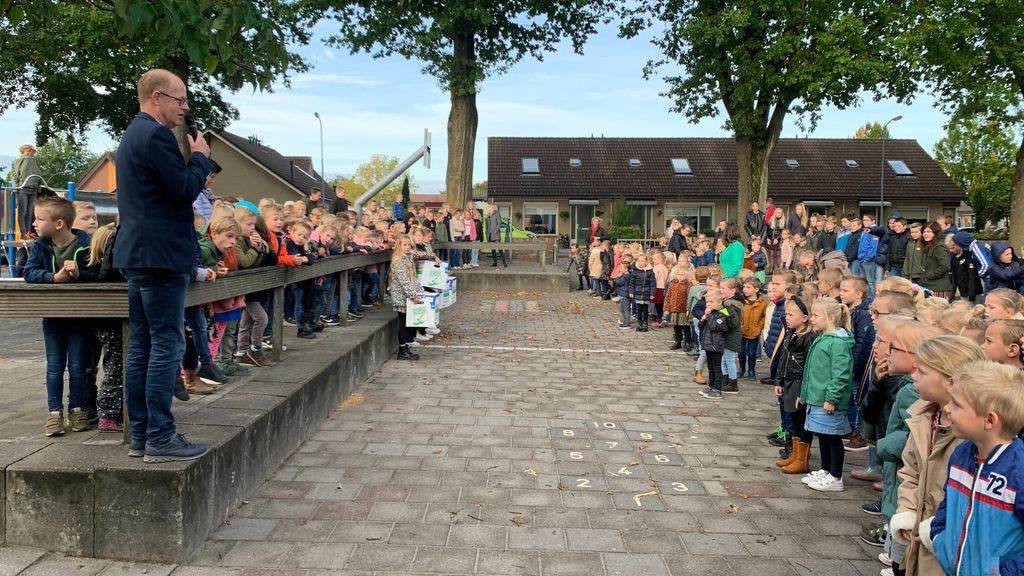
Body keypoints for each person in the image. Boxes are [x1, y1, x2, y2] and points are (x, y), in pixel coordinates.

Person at [113, 69, 213, 463]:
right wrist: (201, 159)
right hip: (160, 256)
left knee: (143, 344)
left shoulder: (132, 133)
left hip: (138, 255)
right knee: (167, 343)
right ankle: (160, 436)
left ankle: (142, 434)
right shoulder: (156, 135)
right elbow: (185, 189)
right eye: (180, 99)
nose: (185, 108)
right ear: (157, 97)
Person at [888, 335, 985, 576]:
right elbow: (910, 469)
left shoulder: (972, 432)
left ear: (950, 381)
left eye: (922, 371)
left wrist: (936, 528)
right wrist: (908, 513)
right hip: (917, 534)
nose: (913, 377)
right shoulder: (924, 417)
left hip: (950, 542)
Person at [921, 361, 1024, 575]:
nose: (947, 409)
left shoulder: (1018, 471)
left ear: (989, 420)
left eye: (957, 405)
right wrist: (939, 537)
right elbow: (947, 503)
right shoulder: (961, 454)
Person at [23, 196, 99, 436]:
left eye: (39, 219)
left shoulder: (86, 245)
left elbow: (97, 274)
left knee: (78, 366)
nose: (34, 223)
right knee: (54, 366)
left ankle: (77, 408)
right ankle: (54, 412)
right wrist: (53, 278)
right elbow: (30, 272)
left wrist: (79, 274)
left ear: (58, 223)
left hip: (79, 317)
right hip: (53, 315)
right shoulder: (40, 246)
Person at [800, 297, 855, 492]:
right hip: (817, 398)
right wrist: (804, 394)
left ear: (830, 318)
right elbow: (813, 371)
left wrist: (831, 398)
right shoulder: (823, 338)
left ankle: (836, 476)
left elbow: (840, 375)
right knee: (823, 436)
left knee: (832, 438)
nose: (811, 319)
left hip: (828, 401)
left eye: (815, 315)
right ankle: (825, 470)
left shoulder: (838, 343)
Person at [774, 296, 817, 474]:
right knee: (793, 418)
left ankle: (802, 460)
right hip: (789, 381)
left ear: (805, 318)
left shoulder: (809, 337)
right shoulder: (791, 333)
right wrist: (779, 380)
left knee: (801, 421)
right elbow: (783, 358)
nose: (787, 318)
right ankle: (795, 453)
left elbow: (809, 365)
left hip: (799, 382)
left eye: (791, 315)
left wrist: (803, 390)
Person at [389, 234, 423, 360]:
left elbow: (413, 278)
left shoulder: (408, 258)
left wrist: (420, 290)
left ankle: (405, 347)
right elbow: (404, 281)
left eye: (409, 244)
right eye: (405, 244)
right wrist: (413, 296)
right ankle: (402, 349)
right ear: (399, 246)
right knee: (402, 323)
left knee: (407, 322)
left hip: (408, 295)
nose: (408, 247)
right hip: (401, 296)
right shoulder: (399, 261)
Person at [698, 289, 730, 400]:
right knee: (710, 367)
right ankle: (711, 386)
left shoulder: (723, 314)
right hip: (708, 345)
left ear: (719, 303)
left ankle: (717, 389)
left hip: (717, 346)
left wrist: (708, 316)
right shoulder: (711, 314)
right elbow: (701, 328)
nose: (708, 304)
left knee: (716, 368)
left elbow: (714, 326)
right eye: (707, 302)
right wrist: (702, 320)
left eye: (711, 302)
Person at [739, 278, 768, 380]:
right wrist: (739, 325)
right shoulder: (741, 301)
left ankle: (752, 370)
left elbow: (764, 317)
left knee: (752, 353)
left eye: (748, 287)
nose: (745, 289)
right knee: (741, 352)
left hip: (754, 331)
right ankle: (741, 369)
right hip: (742, 331)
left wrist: (759, 326)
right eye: (744, 287)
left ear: (756, 289)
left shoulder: (762, 303)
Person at [949, 230, 989, 302]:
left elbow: (985, 265)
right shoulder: (980, 244)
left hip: (990, 277)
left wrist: (980, 274)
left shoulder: (975, 247)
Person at [12, 143, 42, 238]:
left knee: (30, 212)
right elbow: (15, 174)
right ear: (23, 151)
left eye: (31, 151)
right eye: (27, 151)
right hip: (23, 188)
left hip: (33, 188)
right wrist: (16, 188)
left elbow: (39, 174)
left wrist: (39, 187)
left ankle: (28, 232)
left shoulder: (35, 161)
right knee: (23, 211)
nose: (29, 153)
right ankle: (23, 233)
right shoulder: (19, 161)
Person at [918, 222, 952, 299]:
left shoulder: (939, 246)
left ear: (935, 233)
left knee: (938, 311)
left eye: (929, 232)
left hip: (939, 288)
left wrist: (929, 275)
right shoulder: (928, 246)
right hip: (928, 287)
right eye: (924, 232)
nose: (925, 234)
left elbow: (945, 266)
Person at [665, 265, 695, 351]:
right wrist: (667, 308)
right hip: (674, 308)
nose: (680, 277)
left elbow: (689, 297)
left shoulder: (688, 285)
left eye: (682, 275)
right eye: (678, 274)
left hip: (683, 309)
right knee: (676, 326)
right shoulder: (672, 284)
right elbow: (668, 296)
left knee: (685, 327)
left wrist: (688, 309)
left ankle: (688, 342)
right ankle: (677, 341)